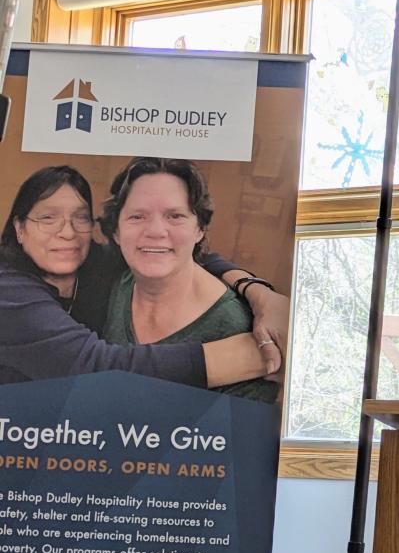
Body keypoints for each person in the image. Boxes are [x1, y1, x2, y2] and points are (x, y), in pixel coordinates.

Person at [0, 164, 284, 389]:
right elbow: (93, 368)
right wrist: (256, 355)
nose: (67, 232)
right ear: (19, 228)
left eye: (80, 217)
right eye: (47, 218)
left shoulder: (93, 262)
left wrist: (260, 294)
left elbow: (178, 253)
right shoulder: (8, 290)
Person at [98, 158, 278, 404]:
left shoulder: (235, 328)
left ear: (200, 228)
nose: (156, 231)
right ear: (116, 231)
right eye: (137, 216)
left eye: (175, 216)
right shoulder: (111, 277)